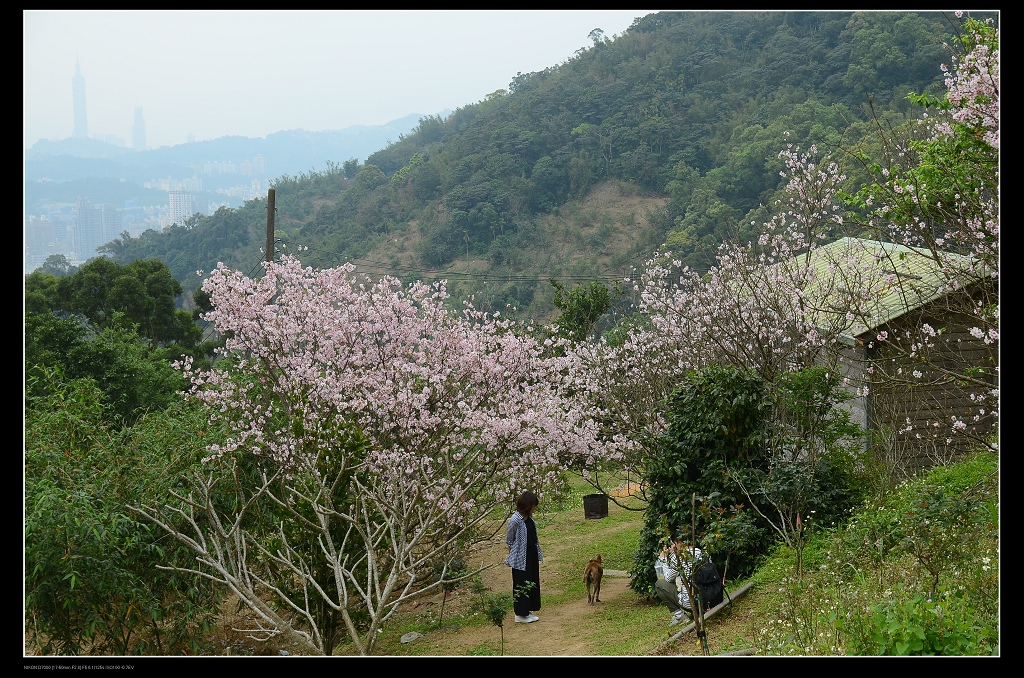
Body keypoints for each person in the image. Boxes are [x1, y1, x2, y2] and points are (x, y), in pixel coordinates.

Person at [505, 490, 543, 623]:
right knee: (521, 583)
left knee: (532, 581)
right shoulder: (515, 520)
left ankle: (528, 610)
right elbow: (509, 540)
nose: (535, 509)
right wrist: (513, 555)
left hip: (531, 554)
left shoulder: (529, 518)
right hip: (520, 557)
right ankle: (520, 614)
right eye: (533, 506)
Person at [653, 533, 704, 626]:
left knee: (660, 583)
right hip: (709, 598)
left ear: (679, 542)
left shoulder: (680, 558)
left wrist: (663, 558)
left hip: (690, 602)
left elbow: (667, 578)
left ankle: (679, 616)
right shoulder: (702, 552)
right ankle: (697, 610)